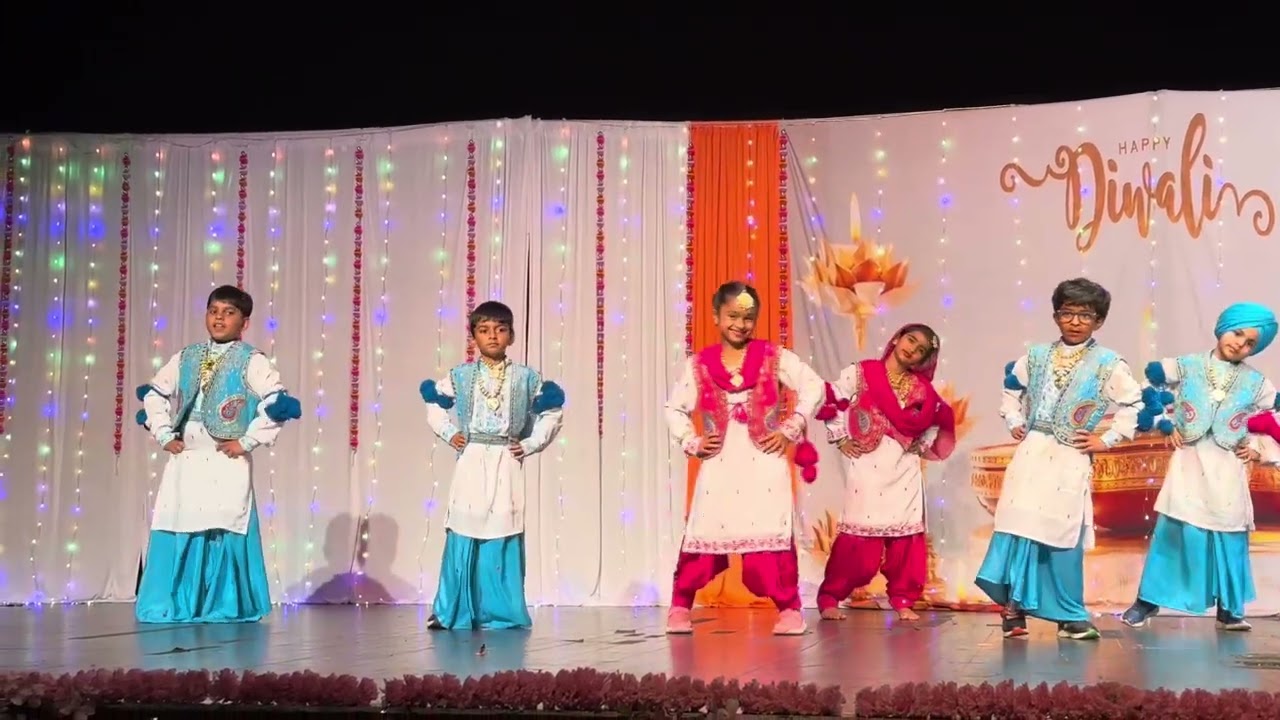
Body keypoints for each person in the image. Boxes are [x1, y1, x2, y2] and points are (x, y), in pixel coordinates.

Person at [975, 277, 1142, 640]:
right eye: (1068, 313)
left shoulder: (1108, 363)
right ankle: (1013, 611)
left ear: (1099, 321)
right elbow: (1011, 389)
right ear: (1056, 316)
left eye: (1087, 315)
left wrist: (1108, 438)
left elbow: (1135, 402)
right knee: (1019, 527)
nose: (1076, 321)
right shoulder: (1034, 357)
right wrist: (1016, 420)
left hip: (1070, 455)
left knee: (1061, 533)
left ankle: (1069, 615)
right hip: (1033, 450)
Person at [663, 281, 824, 636]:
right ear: (716, 316)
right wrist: (691, 441)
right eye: (733, 315)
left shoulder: (774, 357)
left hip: (764, 463)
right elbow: (674, 408)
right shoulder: (699, 364)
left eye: (748, 317)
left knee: (769, 531)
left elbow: (815, 386)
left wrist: (791, 427)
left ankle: (789, 608)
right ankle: (680, 605)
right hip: (719, 464)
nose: (741, 324)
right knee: (704, 530)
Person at [134, 285, 302, 623]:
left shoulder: (251, 361)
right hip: (187, 458)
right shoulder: (186, 356)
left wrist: (249, 441)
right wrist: (164, 433)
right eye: (214, 311)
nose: (219, 318)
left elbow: (277, 402)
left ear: (245, 321)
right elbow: (153, 394)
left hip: (225, 460)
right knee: (181, 521)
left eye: (228, 312)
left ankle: (223, 604)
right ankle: (178, 603)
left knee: (224, 522)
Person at [1121, 302, 1280, 631]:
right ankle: (1147, 602)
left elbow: (1274, 419)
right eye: (1238, 333)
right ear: (1224, 327)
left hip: (1227, 466)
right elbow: (1146, 393)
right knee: (1176, 532)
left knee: (1228, 534)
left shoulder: (1257, 383)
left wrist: (1258, 449)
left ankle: (1230, 609)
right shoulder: (1186, 365)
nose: (1240, 343)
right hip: (1190, 461)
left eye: (1250, 342)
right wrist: (1166, 422)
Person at [419, 300, 564, 630]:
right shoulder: (462, 376)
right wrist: (449, 432)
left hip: (505, 461)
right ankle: (451, 610)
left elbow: (552, 412)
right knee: (464, 528)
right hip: (471, 459)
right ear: (473, 336)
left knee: (502, 529)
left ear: (511, 336)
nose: (493, 336)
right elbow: (434, 403)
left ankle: (501, 613)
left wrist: (529, 444)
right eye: (484, 330)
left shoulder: (526, 377)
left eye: (500, 330)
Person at [814, 323, 956, 622]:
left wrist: (923, 444)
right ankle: (831, 596)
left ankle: (903, 598)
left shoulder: (922, 390)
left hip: (904, 469)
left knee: (905, 535)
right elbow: (832, 398)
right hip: (868, 465)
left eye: (920, 350)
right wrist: (839, 436)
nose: (912, 350)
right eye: (910, 340)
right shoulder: (863, 373)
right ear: (897, 338)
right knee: (859, 536)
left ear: (923, 359)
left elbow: (938, 417)